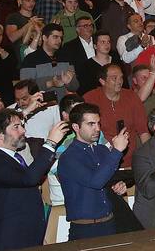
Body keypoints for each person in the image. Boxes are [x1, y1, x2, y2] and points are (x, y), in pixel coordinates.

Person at [0, 108, 69, 251]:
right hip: (7, 244)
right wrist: (51, 143)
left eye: (22, 126)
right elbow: (30, 178)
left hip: (26, 239)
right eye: (16, 127)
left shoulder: (13, 158)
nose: (23, 131)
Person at [56, 103, 130, 241]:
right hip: (85, 229)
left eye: (98, 123)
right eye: (91, 124)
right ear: (76, 127)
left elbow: (105, 180)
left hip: (110, 222)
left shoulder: (101, 150)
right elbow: (95, 182)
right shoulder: (69, 157)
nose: (97, 129)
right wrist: (116, 151)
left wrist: (118, 186)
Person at [81, 62, 148, 167]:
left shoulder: (131, 97)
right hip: (101, 161)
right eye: (114, 78)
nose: (119, 81)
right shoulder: (90, 99)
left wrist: (151, 156)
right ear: (102, 81)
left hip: (130, 160)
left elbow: (143, 131)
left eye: (121, 77)